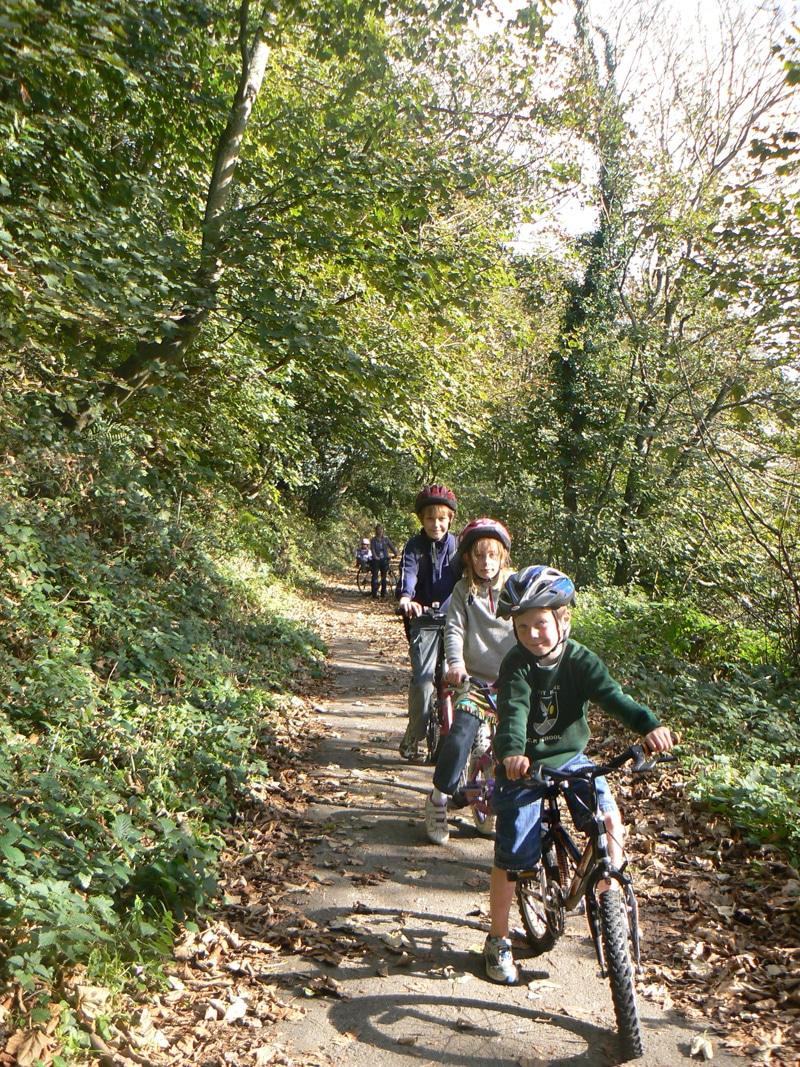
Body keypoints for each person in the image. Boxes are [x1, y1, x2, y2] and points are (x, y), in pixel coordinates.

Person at [483, 565, 674, 984]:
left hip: (570, 758)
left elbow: (614, 697)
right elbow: (513, 711)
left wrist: (649, 726)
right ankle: (497, 938)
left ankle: (612, 906)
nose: (533, 634)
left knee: (608, 819)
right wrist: (512, 753)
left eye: (541, 624)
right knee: (513, 852)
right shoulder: (517, 664)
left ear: (562, 620)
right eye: (523, 627)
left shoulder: (581, 660)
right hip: (525, 764)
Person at [423, 518, 516, 844]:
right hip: (474, 680)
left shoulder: (516, 587)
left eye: (492, 555)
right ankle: (438, 798)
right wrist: (456, 664)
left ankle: (489, 804)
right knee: (461, 734)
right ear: (467, 558)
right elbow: (455, 630)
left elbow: (531, 627)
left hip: (511, 682)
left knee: (512, 747)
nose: (486, 563)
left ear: (503, 556)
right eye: (478, 555)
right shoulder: (463, 591)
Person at [396, 485, 461, 760]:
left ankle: (465, 738)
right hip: (422, 620)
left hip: (455, 621)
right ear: (422, 520)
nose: (436, 524)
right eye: (430, 519)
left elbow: (473, 576)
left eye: (442, 518)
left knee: (461, 680)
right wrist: (405, 598)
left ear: (450, 519)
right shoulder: (414, 546)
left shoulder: (459, 546)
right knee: (423, 682)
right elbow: (407, 573)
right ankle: (414, 733)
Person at [369, 523, 397, 599]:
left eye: (381, 529)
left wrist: (395, 553)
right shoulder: (373, 540)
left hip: (384, 559)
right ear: (376, 531)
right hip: (376, 560)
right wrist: (375, 556)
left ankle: (383, 593)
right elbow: (372, 549)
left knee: (384, 576)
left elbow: (391, 546)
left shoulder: (386, 539)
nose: (380, 531)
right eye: (378, 529)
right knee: (375, 576)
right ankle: (374, 593)